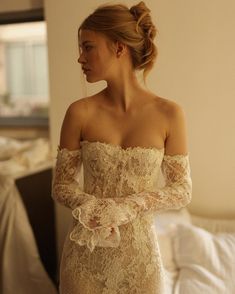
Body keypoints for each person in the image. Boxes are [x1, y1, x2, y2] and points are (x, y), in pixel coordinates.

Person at [52, 1, 192, 293]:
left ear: (119, 48)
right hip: (84, 258)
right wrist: (90, 205)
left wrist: (129, 206)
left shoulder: (169, 113)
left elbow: (182, 189)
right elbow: (61, 185)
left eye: (87, 47)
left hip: (140, 260)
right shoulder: (80, 112)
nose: (80, 58)